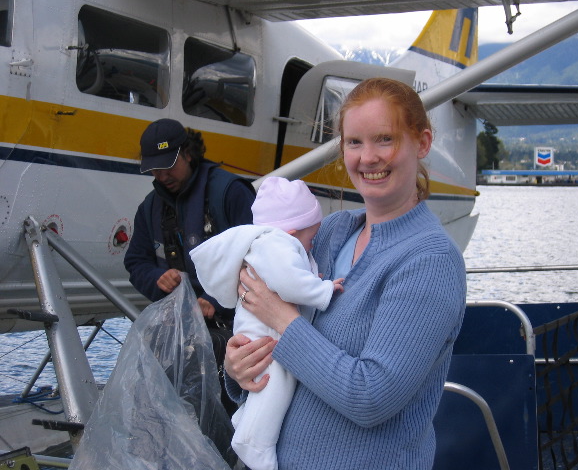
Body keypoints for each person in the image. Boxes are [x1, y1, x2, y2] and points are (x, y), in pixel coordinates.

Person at [224, 78, 467, 469]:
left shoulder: (430, 261)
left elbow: (370, 398)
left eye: (384, 139)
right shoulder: (330, 232)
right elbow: (278, 342)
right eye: (354, 142)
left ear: (422, 143)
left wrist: (282, 319)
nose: (367, 157)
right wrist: (240, 368)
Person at [189, 176, 344, 470]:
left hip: (258, 327)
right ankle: (254, 442)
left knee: (266, 385)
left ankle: (247, 422)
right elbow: (288, 282)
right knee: (276, 384)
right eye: (311, 237)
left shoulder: (265, 243)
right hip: (266, 331)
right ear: (292, 231)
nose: (312, 244)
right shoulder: (277, 244)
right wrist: (322, 290)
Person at [124, 118, 256, 413]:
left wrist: (214, 301)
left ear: (188, 153)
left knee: (229, 416)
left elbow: (262, 261)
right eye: (154, 169)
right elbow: (136, 262)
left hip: (236, 332)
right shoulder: (150, 208)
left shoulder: (231, 192)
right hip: (182, 335)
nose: (162, 175)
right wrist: (157, 278)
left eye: (169, 165)